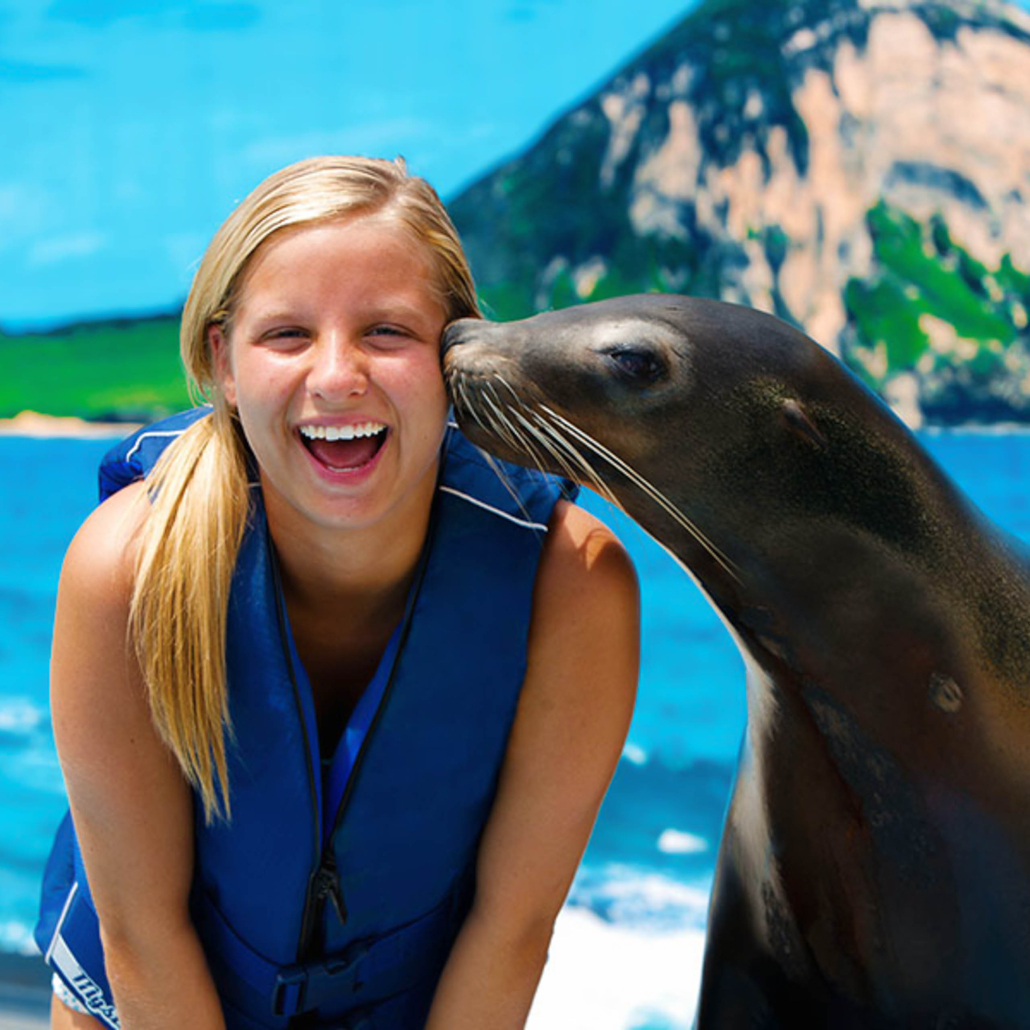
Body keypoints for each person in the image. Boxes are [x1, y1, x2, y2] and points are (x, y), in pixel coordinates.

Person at [34, 155, 639, 1029]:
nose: (336, 376)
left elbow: (512, 928)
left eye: (388, 332)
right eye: (286, 336)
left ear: (458, 358)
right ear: (225, 365)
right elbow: (140, 929)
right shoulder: (125, 567)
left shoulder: (574, 588)